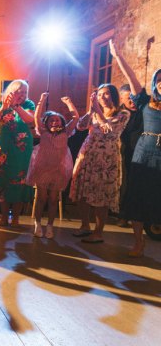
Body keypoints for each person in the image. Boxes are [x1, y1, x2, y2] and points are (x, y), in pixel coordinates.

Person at [109, 39, 161, 257]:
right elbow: (132, 80)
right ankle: (138, 242)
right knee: (137, 197)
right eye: (160, 81)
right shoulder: (146, 101)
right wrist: (118, 57)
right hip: (143, 152)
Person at [69, 83, 129, 243]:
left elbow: (109, 131)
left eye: (106, 94)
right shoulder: (96, 112)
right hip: (88, 155)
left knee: (101, 195)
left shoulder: (123, 113)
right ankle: (84, 226)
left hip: (106, 159)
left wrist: (97, 111)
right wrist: (91, 110)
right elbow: (81, 126)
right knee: (83, 192)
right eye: (100, 94)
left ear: (114, 95)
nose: (102, 97)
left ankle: (98, 232)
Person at [26, 93, 78, 238]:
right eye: (51, 120)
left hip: (57, 170)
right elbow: (36, 118)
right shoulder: (43, 131)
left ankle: (50, 225)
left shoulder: (66, 132)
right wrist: (41, 100)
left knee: (53, 199)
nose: (55, 122)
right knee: (41, 197)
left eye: (57, 120)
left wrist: (69, 103)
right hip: (43, 168)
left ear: (62, 122)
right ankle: (37, 223)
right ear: (46, 123)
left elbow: (76, 118)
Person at [0, 79, 35, 226]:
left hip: (22, 149)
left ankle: (15, 218)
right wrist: (4, 107)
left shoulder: (28, 105)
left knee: (19, 180)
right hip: (5, 148)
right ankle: (3, 217)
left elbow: (30, 120)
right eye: (19, 91)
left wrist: (16, 107)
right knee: (3, 179)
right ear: (11, 91)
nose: (22, 95)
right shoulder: (0, 105)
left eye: (25, 92)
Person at [116, 83, 143, 227]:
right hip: (128, 153)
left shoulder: (144, 110)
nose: (132, 102)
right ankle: (124, 215)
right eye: (128, 99)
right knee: (127, 184)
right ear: (122, 98)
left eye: (133, 99)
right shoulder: (121, 115)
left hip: (144, 152)